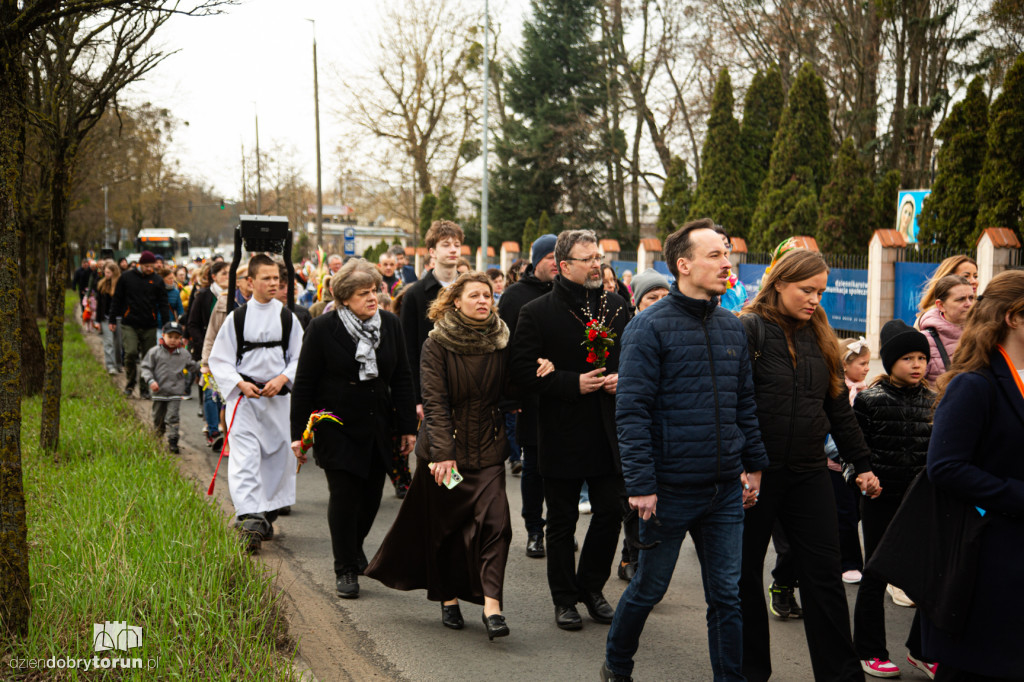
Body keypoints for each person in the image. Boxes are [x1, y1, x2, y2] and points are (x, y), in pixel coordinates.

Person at [603, 219, 769, 682]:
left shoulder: (732, 328)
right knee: (648, 588)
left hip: (723, 491)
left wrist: (754, 464)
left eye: (728, 253)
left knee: (727, 597)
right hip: (668, 491)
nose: (726, 262)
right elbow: (632, 412)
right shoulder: (646, 328)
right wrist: (641, 485)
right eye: (716, 254)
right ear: (684, 264)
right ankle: (617, 664)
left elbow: (744, 404)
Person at [367, 272, 553, 640]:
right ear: (456, 301)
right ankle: (447, 596)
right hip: (444, 452)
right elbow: (434, 404)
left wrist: (537, 372)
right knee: (446, 531)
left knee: (497, 525)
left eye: (488, 295)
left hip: (487, 449)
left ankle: (492, 606)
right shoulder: (436, 344)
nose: (484, 301)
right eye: (475, 296)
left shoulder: (501, 339)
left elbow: (510, 389)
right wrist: (443, 454)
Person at [739, 248, 881, 682]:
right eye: (806, 289)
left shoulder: (822, 335)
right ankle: (748, 673)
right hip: (756, 475)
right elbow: (732, 403)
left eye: (821, 291)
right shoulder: (748, 329)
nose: (815, 299)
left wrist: (863, 464)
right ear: (778, 283)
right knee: (742, 578)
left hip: (808, 472)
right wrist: (745, 462)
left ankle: (841, 675)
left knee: (825, 578)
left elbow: (839, 409)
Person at [510, 229, 630, 631]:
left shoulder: (616, 305)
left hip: (607, 430)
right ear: (564, 266)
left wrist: (620, 378)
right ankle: (564, 598)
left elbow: (631, 358)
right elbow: (522, 373)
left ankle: (591, 587)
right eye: (588, 258)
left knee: (611, 510)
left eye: (598, 256)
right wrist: (569, 383)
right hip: (560, 430)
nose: (597, 263)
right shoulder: (538, 312)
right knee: (560, 520)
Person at [290, 259, 416, 598]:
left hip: (378, 423)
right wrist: (299, 436)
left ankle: (354, 546)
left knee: (371, 496)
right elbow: (304, 384)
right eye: (364, 293)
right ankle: (345, 567)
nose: (373, 298)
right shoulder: (321, 328)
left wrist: (407, 427)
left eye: (374, 291)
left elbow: (403, 377)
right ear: (344, 299)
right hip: (336, 425)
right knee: (344, 496)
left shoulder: (390, 324)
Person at [920, 269, 1024, 681]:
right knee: (979, 668)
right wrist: (1017, 495)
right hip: (987, 552)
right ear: (1013, 317)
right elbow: (944, 466)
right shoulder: (975, 384)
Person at [850, 320, 936, 679]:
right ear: (889, 362)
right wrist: (861, 479)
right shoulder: (869, 400)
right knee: (876, 573)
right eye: (907, 358)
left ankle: (924, 651)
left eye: (921, 357)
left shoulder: (936, 401)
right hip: (881, 499)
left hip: (923, 501)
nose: (917, 365)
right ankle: (869, 650)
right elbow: (852, 452)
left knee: (932, 575)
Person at [208, 254, 304, 553]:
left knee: (276, 459)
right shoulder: (237, 318)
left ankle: (265, 513)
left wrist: (283, 378)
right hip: (245, 402)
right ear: (250, 282)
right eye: (267, 278)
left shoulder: (288, 317)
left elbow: (301, 358)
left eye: (277, 278)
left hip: (277, 402)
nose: (274, 283)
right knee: (245, 459)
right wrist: (239, 383)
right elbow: (219, 359)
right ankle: (249, 520)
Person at [498, 234, 558, 559]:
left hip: (566, 395)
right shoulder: (514, 296)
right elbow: (505, 350)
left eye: (558, 256)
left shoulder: (571, 294)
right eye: (549, 256)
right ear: (536, 260)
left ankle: (560, 526)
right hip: (531, 398)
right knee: (534, 466)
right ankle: (535, 529)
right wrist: (510, 398)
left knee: (563, 467)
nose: (554, 262)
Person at [399, 220, 464, 422]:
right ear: (432, 252)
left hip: (467, 386)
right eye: (446, 244)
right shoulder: (415, 295)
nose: (453, 250)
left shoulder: (471, 288)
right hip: (431, 389)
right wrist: (416, 398)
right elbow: (408, 350)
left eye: (456, 244)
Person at [833, 337, 871, 584]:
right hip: (836, 465)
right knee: (845, 514)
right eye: (861, 363)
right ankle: (849, 563)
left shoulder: (864, 389)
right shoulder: (841, 391)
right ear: (845, 365)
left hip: (858, 463)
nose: (867, 368)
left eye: (868, 363)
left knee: (856, 512)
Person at [109, 250, 171, 399]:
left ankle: (144, 388)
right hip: (129, 322)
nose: (150, 269)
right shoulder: (127, 278)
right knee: (130, 353)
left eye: (152, 266)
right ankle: (130, 383)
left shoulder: (157, 280)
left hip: (149, 324)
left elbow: (163, 303)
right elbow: (117, 298)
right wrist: (112, 319)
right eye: (147, 266)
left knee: (148, 357)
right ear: (140, 265)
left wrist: (167, 325)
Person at [139, 321, 199, 454]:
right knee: (158, 417)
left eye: (177, 337)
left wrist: (205, 365)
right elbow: (145, 368)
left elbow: (192, 366)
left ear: (181, 339)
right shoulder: (154, 352)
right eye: (170, 336)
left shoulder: (183, 354)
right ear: (163, 336)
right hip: (159, 391)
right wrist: (150, 381)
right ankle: (157, 436)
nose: (173, 340)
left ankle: (173, 440)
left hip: (175, 392)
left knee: (173, 416)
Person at [192, 261, 230, 449]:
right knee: (210, 392)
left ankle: (225, 428)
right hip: (208, 350)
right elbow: (194, 323)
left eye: (229, 273)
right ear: (213, 276)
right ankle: (214, 430)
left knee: (224, 393)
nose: (227, 277)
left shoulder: (235, 297)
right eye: (223, 273)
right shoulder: (204, 296)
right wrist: (202, 349)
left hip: (227, 353)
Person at [918, 275, 974, 382]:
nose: (969, 304)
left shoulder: (983, 335)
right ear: (941, 305)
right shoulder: (925, 340)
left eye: (971, 297)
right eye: (961, 299)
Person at [96, 261, 123, 375]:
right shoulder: (102, 285)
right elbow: (99, 305)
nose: (106, 274)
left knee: (118, 343)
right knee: (108, 342)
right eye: (105, 272)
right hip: (105, 318)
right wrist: (97, 320)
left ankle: (118, 364)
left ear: (114, 273)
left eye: (108, 272)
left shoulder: (120, 285)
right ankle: (110, 365)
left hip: (119, 318)